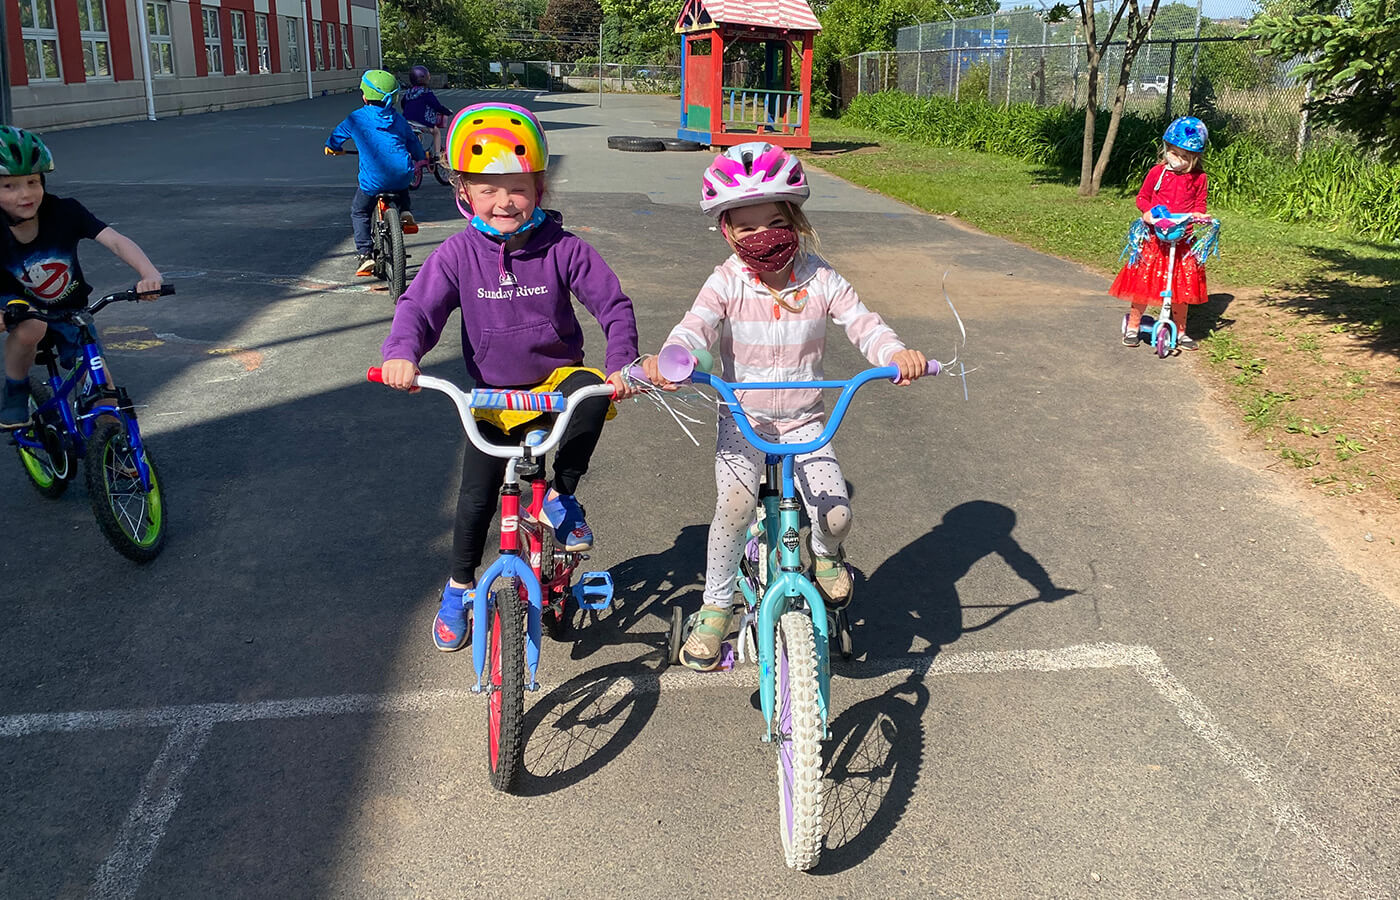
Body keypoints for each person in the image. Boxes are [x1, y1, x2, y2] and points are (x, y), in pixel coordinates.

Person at [641, 141, 928, 672]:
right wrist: (675, 358)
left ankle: (823, 554)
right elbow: (696, 326)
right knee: (733, 509)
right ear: (726, 230)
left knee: (836, 514)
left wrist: (895, 354)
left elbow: (862, 322)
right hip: (743, 419)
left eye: (774, 222)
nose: (761, 237)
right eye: (745, 227)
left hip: (805, 422)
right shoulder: (727, 280)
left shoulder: (820, 278)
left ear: (795, 220)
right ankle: (716, 606)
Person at [377, 102, 640, 652]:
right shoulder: (455, 254)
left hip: (555, 388)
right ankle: (458, 588)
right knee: (477, 498)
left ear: (539, 190)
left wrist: (622, 363)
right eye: (488, 188)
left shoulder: (564, 249)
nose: (504, 201)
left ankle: (562, 496)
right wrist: (403, 352)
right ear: (465, 192)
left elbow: (613, 305)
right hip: (494, 398)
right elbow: (418, 310)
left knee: (592, 392)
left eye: (517, 187)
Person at [0, 127, 163, 428]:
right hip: (17, 306)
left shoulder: (65, 212)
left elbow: (114, 240)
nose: (25, 194)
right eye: (9, 186)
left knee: (105, 394)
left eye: (32, 182)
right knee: (30, 325)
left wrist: (148, 272)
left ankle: (117, 459)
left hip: (72, 312)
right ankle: (15, 388)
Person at [1111, 116, 1211, 351]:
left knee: (1181, 289)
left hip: (1182, 241)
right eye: (1173, 153)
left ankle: (1182, 330)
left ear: (1195, 158)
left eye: (1184, 157)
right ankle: (1134, 325)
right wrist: (1147, 213)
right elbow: (1142, 197)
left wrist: (1201, 217)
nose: (1177, 159)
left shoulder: (1199, 178)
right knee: (1143, 284)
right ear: (1166, 149)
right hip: (1155, 239)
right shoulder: (1158, 173)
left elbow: (1199, 206)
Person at [325, 69, 425, 278]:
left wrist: (332, 146)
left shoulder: (357, 118)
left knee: (359, 211)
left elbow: (337, 136)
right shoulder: (398, 120)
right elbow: (414, 146)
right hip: (402, 176)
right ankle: (405, 210)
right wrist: (420, 156)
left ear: (364, 95)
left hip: (373, 180)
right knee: (400, 177)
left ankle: (365, 254)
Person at [401, 65, 453, 158]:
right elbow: (436, 106)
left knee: (412, 135)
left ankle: (410, 153)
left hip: (407, 122)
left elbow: (403, 104)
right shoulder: (426, 92)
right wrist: (447, 111)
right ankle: (437, 154)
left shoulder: (408, 92)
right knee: (436, 132)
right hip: (422, 123)